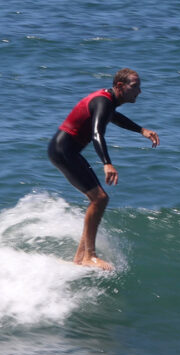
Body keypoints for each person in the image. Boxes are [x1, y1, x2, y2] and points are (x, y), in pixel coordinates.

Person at [48, 68, 160, 270]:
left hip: (63, 150)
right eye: (135, 87)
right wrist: (107, 163)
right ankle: (88, 256)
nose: (139, 91)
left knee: (98, 199)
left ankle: (80, 258)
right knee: (99, 198)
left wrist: (141, 130)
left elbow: (112, 117)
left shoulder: (107, 102)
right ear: (119, 86)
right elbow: (97, 133)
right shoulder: (104, 101)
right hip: (64, 150)